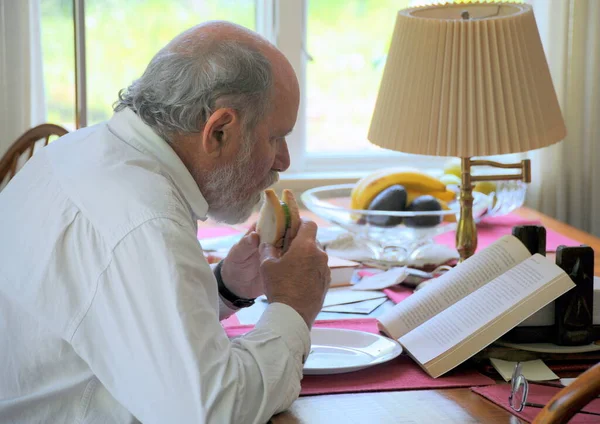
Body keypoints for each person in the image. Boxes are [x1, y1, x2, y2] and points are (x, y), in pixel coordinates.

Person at [0, 21, 330, 423]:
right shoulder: (145, 220)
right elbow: (212, 411)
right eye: (275, 138)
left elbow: (121, 320)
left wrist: (226, 287)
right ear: (220, 130)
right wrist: (293, 307)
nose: (284, 162)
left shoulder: (83, 150)